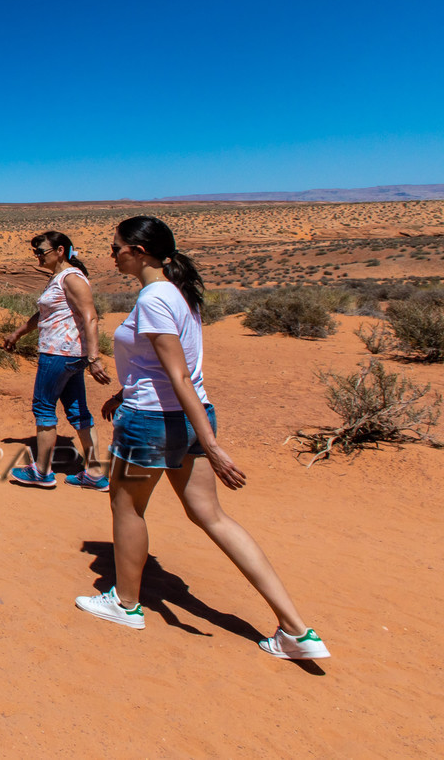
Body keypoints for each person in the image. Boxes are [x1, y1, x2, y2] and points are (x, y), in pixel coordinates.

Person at [75, 216, 330, 661]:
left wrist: (211, 446)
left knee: (127, 506)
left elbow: (177, 374)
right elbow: (171, 365)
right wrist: (125, 390)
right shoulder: (177, 293)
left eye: (116, 248)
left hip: (153, 423)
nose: (111, 254)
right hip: (184, 418)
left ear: (139, 252)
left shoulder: (154, 297)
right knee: (212, 516)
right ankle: (296, 629)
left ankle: (125, 604)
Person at [3, 232, 113, 489]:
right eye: (35, 252)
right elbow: (45, 314)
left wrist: (95, 358)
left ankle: (41, 472)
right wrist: (19, 332)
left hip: (59, 354)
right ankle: (95, 474)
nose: (38, 256)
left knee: (43, 407)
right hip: (69, 356)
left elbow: (90, 316)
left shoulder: (72, 278)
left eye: (41, 251)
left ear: (60, 250)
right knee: (78, 412)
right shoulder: (61, 278)